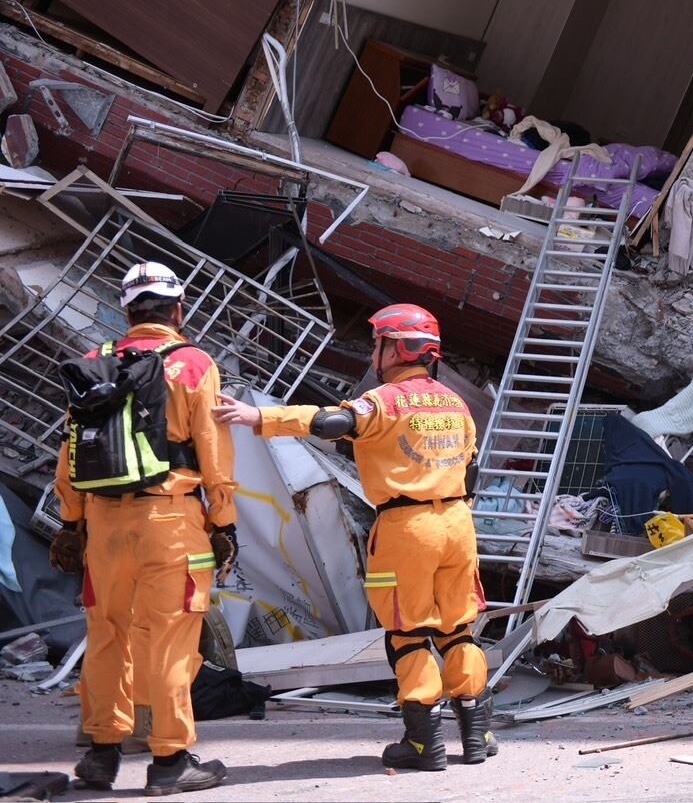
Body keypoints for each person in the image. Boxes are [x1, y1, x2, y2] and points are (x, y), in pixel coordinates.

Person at [213, 303, 496, 771]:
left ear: (397, 348)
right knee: (456, 628)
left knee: (408, 634)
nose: (373, 351)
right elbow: (473, 470)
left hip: (408, 530)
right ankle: (478, 732)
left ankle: (425, 743)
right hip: (458, 525)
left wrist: (259, 418)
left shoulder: (384, 400)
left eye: (379, 342)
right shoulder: (455, 404)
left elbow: (330, 423)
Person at [49, 262, 236, 796]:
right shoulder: (195, 363)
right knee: (170, 641)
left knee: (107, 633)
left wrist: (71, 523)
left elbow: (70, 451)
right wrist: (223, 521)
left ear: (128, 311)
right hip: (170, 520)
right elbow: (213, 449)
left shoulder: (93, 363)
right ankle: (171, 762)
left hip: (104, 523)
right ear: (178, 310)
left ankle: (102, 757)